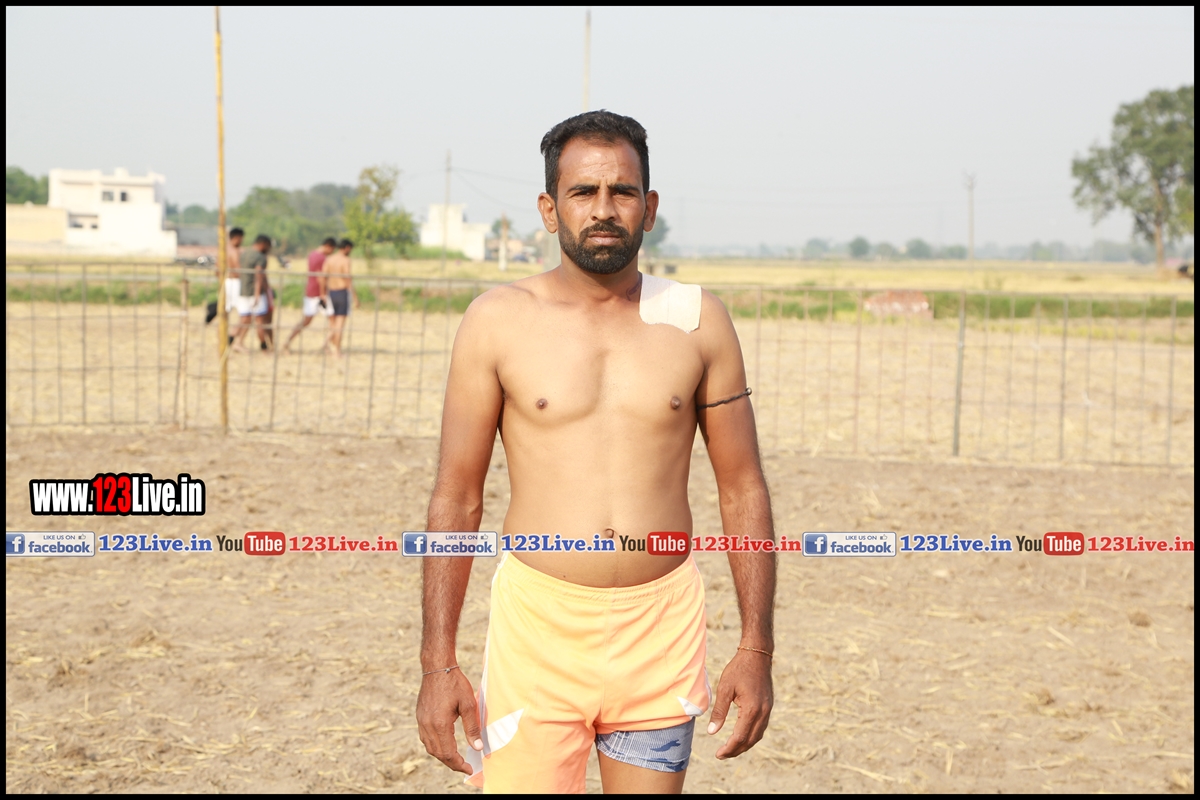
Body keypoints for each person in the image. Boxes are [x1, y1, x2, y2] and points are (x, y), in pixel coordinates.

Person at [417, 111, 775, 794]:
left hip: (661, 629)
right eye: (583, 192)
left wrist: (757, 647)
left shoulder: (698, 320)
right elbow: (457, 496)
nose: (604, 209)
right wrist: (438, 663)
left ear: (650, 208)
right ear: (550, 209)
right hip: (537, 630)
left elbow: (743, 488)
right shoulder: (497, 321)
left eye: (623, 192)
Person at [283, 237, 336, 353]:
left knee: (306, 321)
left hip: (310, 291)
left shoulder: (312, 255)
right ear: (328, 246)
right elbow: (321, 277)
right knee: (333, 321)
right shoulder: (321, 258)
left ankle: (287, 342)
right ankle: (326, 345)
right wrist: (323, 294)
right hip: (319, 293)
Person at [232, 234, 273, 352]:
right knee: (260, 322)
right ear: (263, 244)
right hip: (256, 293)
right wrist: (257, 295)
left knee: (245, 319)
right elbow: (259, 276)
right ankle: (264, 348)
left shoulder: (244, 254)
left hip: (243, 291)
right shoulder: (260, 257)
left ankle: (236, 342)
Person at [322, 238, 358, 357]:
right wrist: (355, 297)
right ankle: (337, 351)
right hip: (342, 293)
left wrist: (322, 293)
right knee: (339, 324)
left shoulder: (329, 259)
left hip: (330, 292)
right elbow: (347, 278)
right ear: (347, 248)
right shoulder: (345, 260)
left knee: (332, 324)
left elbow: (323, 276)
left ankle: (327, 346)